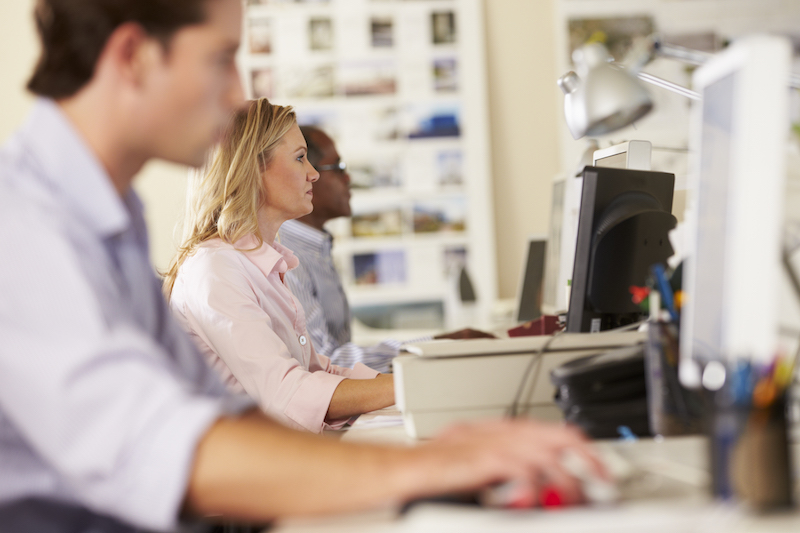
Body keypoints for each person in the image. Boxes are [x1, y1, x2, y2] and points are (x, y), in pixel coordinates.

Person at [0, 0, 605, 530]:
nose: (237, 94)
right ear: (133, 54)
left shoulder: (109, 220)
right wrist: (436, 463)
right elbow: (164, 449)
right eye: (221, 57)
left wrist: (451, 438)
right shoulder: (25, 230)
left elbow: (225, 416)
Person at [164, 99, 394, 433]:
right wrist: (406, 387)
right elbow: (287, 394)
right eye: (300, 159)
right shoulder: (215, 269)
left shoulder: (261, 262)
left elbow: (318, 373)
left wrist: (409, 382)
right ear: (252, 168)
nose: (313, 173)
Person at [279, 125, 493, 373]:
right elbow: (325, 361)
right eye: (337, 168)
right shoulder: (288, 257)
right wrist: (433, 347)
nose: (348, 178)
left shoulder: (316, 248)